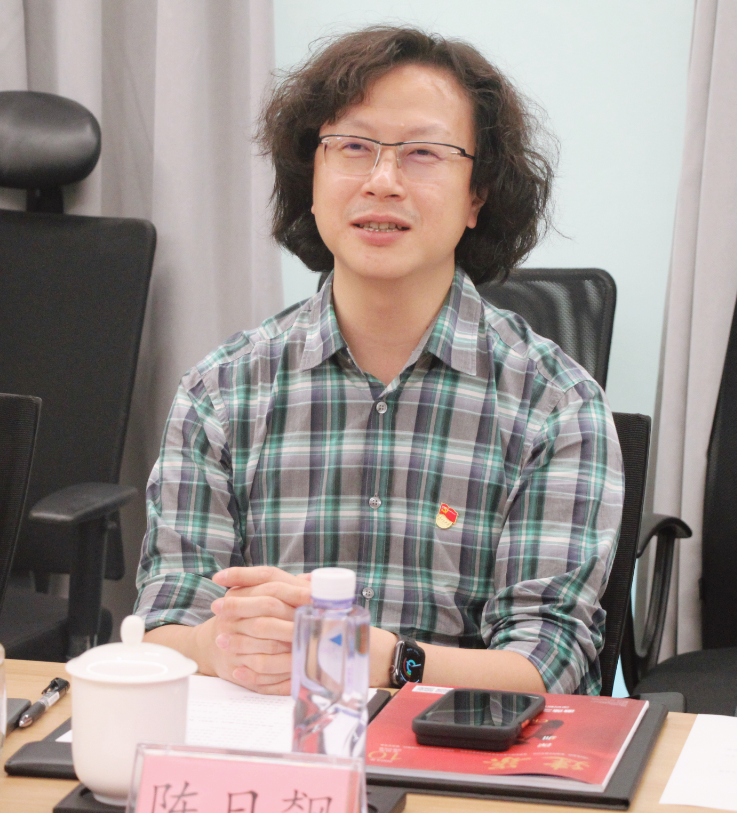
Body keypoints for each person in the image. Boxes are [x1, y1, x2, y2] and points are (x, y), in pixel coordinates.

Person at [134, 26, 623, 697]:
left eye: (422, 153)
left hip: (457, 751)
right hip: (267, 745)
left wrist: (381, 660)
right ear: (311, 179)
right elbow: (164, 623)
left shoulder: (555, 403)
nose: (382, 181)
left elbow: (550, 665)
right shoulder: (221, 391)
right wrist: (217, 642)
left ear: (476, 194)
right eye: (353, 147)